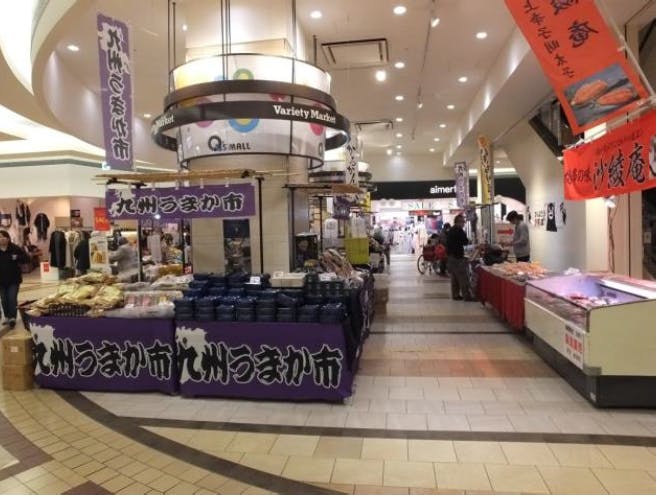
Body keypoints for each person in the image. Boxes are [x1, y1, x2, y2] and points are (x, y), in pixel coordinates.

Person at [0, 230, 28, 329]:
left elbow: (26, 258)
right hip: (1, 281)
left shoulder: (14, 248)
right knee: (4, 299)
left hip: (14, 280)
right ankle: (7, 316)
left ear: (8, 238)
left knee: (12, 298)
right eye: (0, 237)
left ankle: (12, 317)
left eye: (3, 237)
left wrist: (17, 257)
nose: (1, 239)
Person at [446, 215, 474, 301]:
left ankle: (455, 295)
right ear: (458, 222)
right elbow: (465, 241)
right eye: (463, 222)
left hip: (451, 257)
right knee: (462, 277)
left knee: (454, 277)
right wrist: (469, 241)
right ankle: (467, 296)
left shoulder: (451, 230)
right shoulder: (459, 230)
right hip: (457, 257)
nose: (464, 224)